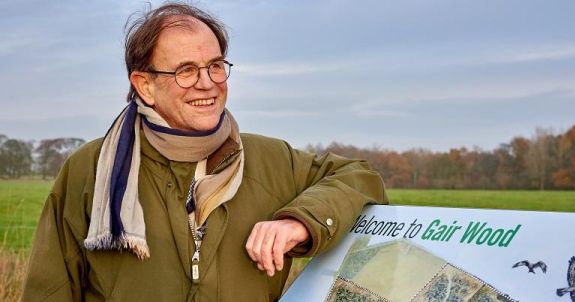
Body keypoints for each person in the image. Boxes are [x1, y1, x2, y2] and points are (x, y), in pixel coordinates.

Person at [22, 3, 387, 301]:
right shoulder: (89, 169)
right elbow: (49, 288)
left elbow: (361, 177)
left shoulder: (272, 160)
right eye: (186, 70)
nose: (208, 83)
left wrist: (300, 221)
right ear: (144, 85)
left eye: (215, 66)